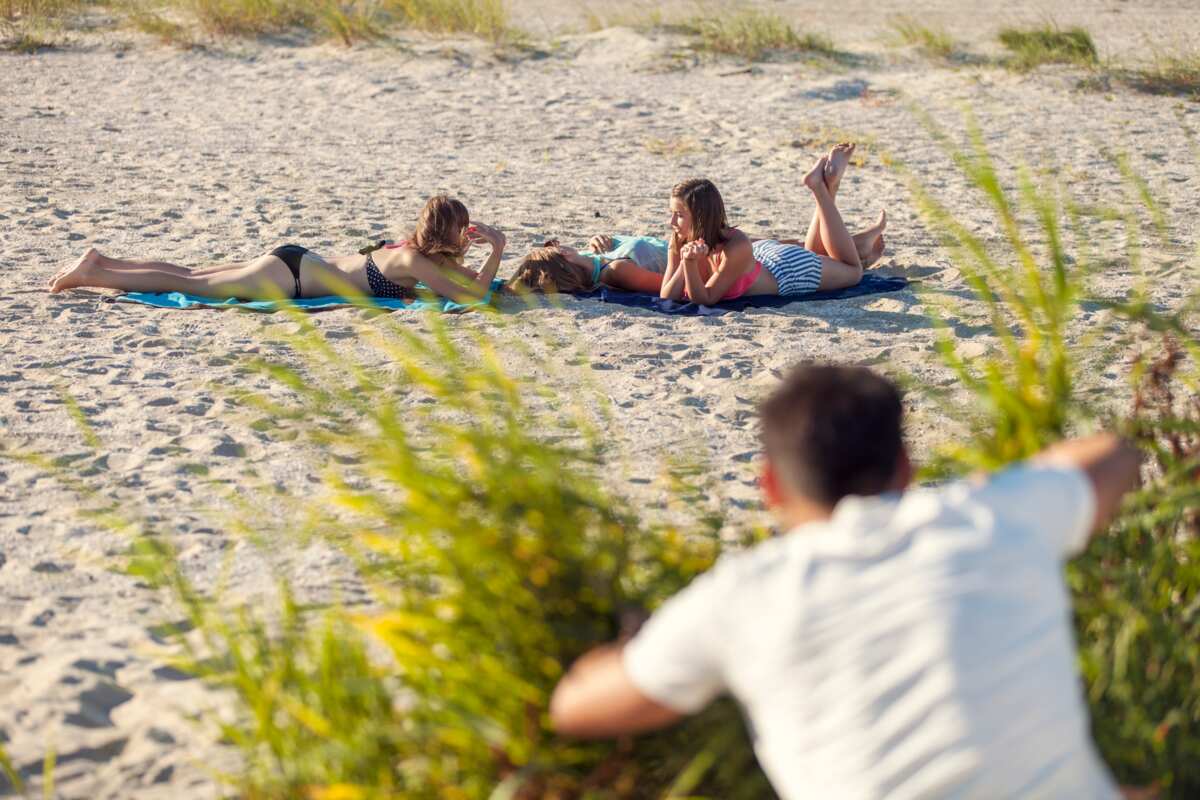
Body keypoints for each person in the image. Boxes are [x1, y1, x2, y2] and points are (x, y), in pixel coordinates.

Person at [550, 364, 1144, 799]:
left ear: (771, 487)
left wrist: (630, 639)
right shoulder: (992, 519)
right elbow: (1116, 455)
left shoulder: (744, 595)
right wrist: (994, 490)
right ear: (906, 468)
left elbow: (575, 709)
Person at [47, 196, 506, 304]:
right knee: (183, 282)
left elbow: (460, 281)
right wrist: (498, 249)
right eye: (464, 229)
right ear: (449, 232)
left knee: (189, 273)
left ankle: (101, 262)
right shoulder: (414, 261)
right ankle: (92, 274)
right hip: (290, 278)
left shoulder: (413, 252)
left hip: (296, 260)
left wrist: (479, 254)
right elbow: (470, 296)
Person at [660, 143, 887, 305]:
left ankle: (820, 188)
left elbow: (707, 299)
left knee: (854, 271)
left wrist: (690, 264)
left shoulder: (735, 245)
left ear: (701, 215)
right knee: (817, 252)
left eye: (679, 214)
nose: (672, 222)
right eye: (672, 213)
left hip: (787, 270)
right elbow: (666, 296)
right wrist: (683, 262)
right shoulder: (680, 240)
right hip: (764, 257)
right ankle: (826, 185)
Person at [507, 238, 666, 295]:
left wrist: (609, 240)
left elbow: (509, 286)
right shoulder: (617, 271)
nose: (557, 243)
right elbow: (670, 285)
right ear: (563, 255)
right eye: (552, 245)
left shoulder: (592, 257)